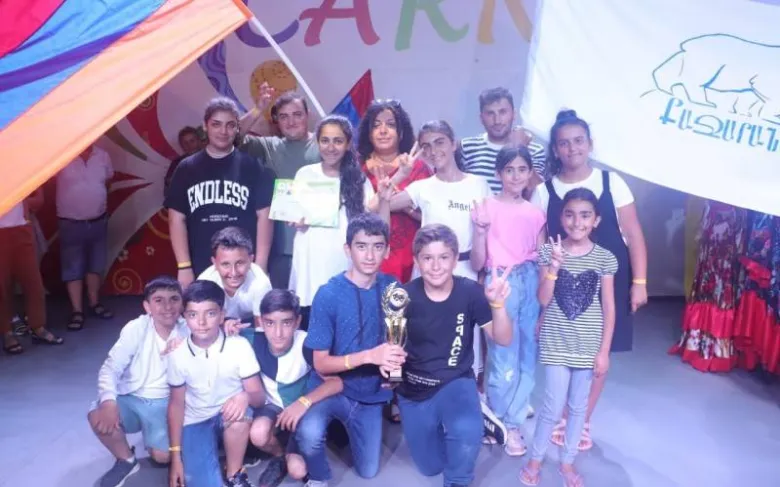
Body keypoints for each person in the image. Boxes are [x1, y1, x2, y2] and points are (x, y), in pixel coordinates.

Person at [530, 109, 648, 451]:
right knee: (565, 349)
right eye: (564, 143)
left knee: (599, 350)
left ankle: (580, 419)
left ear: (590, 144)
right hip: (562, 283)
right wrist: (542, 305)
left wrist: (640, 281)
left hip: (608, 280)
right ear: (555, 150)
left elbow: (633, 233)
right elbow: (540, 245)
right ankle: (564, 412)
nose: (572, 149)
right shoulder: (544, 191)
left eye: (578, 141)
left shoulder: (612, 182)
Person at [373, 120, 492, 401]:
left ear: (453, 143)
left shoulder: (478, 184)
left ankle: (464, 399)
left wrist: (482, 272)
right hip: (428, 272)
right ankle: (416, 394)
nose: (433, 150)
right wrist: (398, 177)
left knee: (463, 339)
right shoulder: (422, 187)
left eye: (439, 142)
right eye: (426, 146)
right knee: (423, 334)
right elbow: (380, 207)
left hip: (465, 270)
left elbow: (485, 232)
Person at [390, 224, 513, 487]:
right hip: (415, 389)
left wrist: (498, 305)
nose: (436, 266)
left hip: (455, 380)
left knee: (466, 435)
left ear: (455, 259)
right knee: (430, 467)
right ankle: (467, 417)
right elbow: (393, 348)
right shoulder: (402, 297)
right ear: (417, 261)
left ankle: (468, 428)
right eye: (427, 258)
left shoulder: (470, 292)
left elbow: (503, 339)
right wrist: (391, 377)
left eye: (444, 257)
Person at [295, 213, 406, 487]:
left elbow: (395, 343)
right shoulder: (328, 294)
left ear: (387, 250)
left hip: (369, 393)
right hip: (329, 386)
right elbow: (321, 364)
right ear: (348, 249)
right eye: (361, 246)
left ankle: (343, 430)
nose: (369, 255)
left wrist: (393, 377)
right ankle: (318, 477)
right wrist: (370, 356)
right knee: (308, 435)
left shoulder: (393, 288)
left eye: (377, 246)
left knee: (368, 471)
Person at [519, 188, 617, 487]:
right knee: (552, 406)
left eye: (585, 215)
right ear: (562, 218)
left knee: (577, 408)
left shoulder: (605, 258)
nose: (577, 222)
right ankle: (535, 460)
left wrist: (604, 351)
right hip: (556, 342)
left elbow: (609, 307)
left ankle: (567, 462)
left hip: (588, 345)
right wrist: (555, 267)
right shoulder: (550, 252)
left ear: (596, 220)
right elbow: (543, 298)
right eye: (570, 215)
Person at [469, 145, 546, 456]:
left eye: (522, 170)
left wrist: (544, 298)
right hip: (501, 280)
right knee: (503, 354)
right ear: (499, 173)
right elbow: (477, 261)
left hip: (531, 279)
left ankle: (513, 422)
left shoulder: (536, 213)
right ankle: (497, 418)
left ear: (530, 173)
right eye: (509, 170)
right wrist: (479, 231)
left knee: (528, 352)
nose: (515, 176)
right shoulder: (486, 208)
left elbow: (542, 258)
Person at [88, 276, 187, 487]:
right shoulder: (136, 328)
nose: (168, 306)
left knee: (162, 456)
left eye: (174, 299)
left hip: (167, 403)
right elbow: (110, 368)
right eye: (159, 300)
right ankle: (126, 460)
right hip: (133, 397)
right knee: (97, 415)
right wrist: (108, 402)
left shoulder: (189, 329)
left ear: (182, 302)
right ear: (147, 306)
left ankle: (160, 439)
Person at [166, 97, 275, 285]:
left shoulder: (253, 166)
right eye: (216, 124)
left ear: (237, 128)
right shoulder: (186, 168)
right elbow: (176, 219)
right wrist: (183, 266)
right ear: (205, 126)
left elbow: (265, 217)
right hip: (200, 263)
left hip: (244, 267)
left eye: (230, 125)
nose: (223, 131)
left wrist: (261, 265)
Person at [167, 280, 265, 487]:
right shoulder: (178, 354)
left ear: (222, 315)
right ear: (185, 317)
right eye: (193, 315)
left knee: (239, 418)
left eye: (210, 313)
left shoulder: (239, 346)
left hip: (229, 415)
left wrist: (245, 396)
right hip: (196, 420)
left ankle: (234, 473)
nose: (201, 322)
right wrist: (176, 457)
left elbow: (258, 397)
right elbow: (176, 405)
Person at [243, 290, 344, 487]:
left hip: (303, 408)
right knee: (258, 434)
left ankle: (294, 451)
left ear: (297, 322)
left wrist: (303, 402)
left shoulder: (307, 344)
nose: (278, 333)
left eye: (286, 323)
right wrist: (226, 326)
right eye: (270, 323)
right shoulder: (252, 339)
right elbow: (215, 333)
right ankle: (280, 456)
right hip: (273, 406)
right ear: (261, 322)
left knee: (298, 470)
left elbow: (337, 382)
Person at [289, 115, 374, 330]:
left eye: (338, 141)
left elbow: (371, 218)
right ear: (317, 142)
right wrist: (295, 219)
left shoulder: (358, 179)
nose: (331, 147)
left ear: (348, 144)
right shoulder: (304, 174)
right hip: (309, 260)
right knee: (311, 326)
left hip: (341, 260)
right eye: (325, 140)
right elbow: (292, 211)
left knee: (344, 326)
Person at [240, 87, 321, 289]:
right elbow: (233, 136)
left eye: (297, 114)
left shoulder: (325, 145)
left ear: (307, 115)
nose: (291, 121)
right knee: (281, 306)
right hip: (281, 251)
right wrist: (258, 109)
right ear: (276, 121)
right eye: (284, 117)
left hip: (319, 247)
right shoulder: (270, 146)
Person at [358, 99, 432, 283]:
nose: (383, 131)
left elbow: (430, 214)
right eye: (376, 125)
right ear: (369, 133)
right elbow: (360, 212)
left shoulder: (418, 168)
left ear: (401, 133)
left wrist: (400, 206)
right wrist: (398, 198)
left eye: (390, 125)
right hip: (369, 257)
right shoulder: (358, 169)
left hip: (412, 259)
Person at [56, 143, 115, 330]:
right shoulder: (62, 155)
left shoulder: (103, 155)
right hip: (70, 222)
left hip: (98, 220)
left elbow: (107, 182)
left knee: (95, 265)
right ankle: (77, 311)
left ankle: (94, 303)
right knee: (72, 268)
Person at [0, 193, 63, 354]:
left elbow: (39, 199)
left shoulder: (21, 175)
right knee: (2, 287)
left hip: (22, 229)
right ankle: (7, 333)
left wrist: (24, 202)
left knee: (34, 284)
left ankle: (38, 327)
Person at [459, 87, 546, 195]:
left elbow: (539, 194)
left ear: (514, 114)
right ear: (481, 118)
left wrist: (520, 148)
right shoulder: (467, 147)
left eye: (502, 112)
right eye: (490, 113)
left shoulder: (534, 150)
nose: (497, 121)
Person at [198, 226, 272, 327]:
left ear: (251, 260)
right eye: (225, 264)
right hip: (218, 326)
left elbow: (262, 328)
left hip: (250, 325)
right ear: (214, 263)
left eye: (240, 263)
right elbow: (203, 325)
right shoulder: (205, 282)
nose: (233, 273)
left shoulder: (261, 283)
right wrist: (225, 325)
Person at [165, 126, 206, 194]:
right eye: (185, 143)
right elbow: (168, 190)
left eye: (192, 141)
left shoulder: (213, 158)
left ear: (199, 141)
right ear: (181, 146)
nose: (189, 145)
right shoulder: (177, 163)